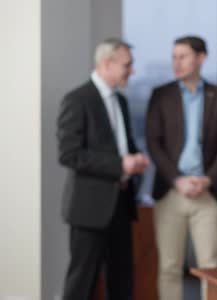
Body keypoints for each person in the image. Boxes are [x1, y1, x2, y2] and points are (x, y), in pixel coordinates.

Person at [57, 38, 150, 300]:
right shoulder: (77, 99)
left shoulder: (120, 101)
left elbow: (123, 145)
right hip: (89, 209)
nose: (132, 71)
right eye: (127, 65)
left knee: (122, 280)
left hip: (121, 204)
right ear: (107, 64)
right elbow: (69, 154)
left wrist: (136, 159)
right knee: (81, 281)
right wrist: (120, 164)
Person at [146, 36, 217, 300]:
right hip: (171, 192)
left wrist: (208, 179)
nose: (177, 62)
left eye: (183, 56)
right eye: (174, 57)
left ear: (201, 58)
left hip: (208, 192)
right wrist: (177, 180)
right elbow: (153, 143)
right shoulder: (160, 95)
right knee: (169, 267)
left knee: (211, 265)